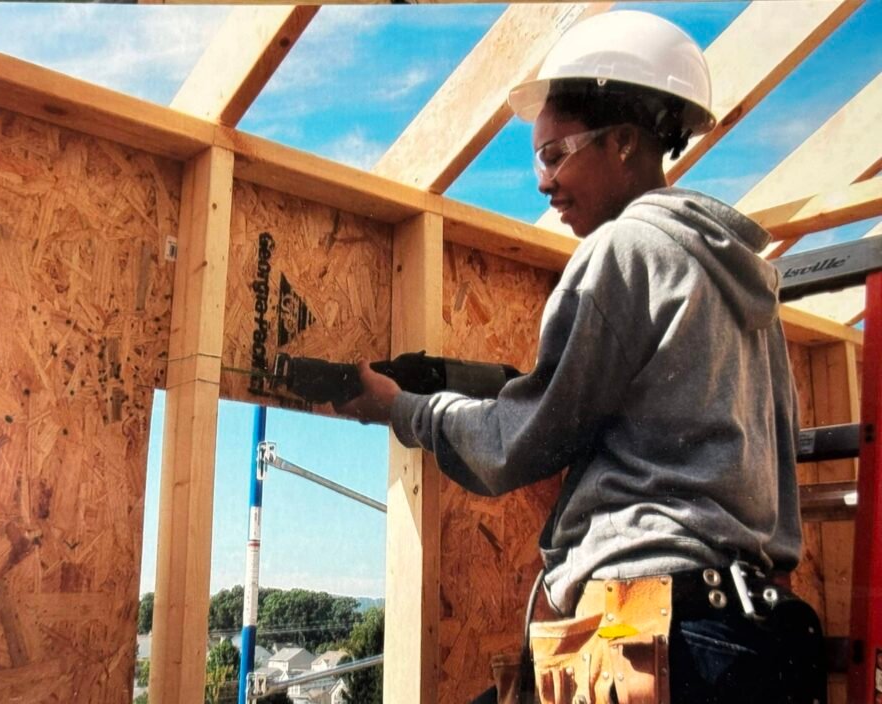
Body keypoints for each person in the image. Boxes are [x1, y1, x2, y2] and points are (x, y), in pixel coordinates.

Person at [337, 10, 826, 704]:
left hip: (647, 623)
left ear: (624, 142)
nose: (542, 181)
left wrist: (404, 410)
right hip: (749, 636)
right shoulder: (743, 283)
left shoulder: (624, 251)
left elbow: (517, 441)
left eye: (554, 153)